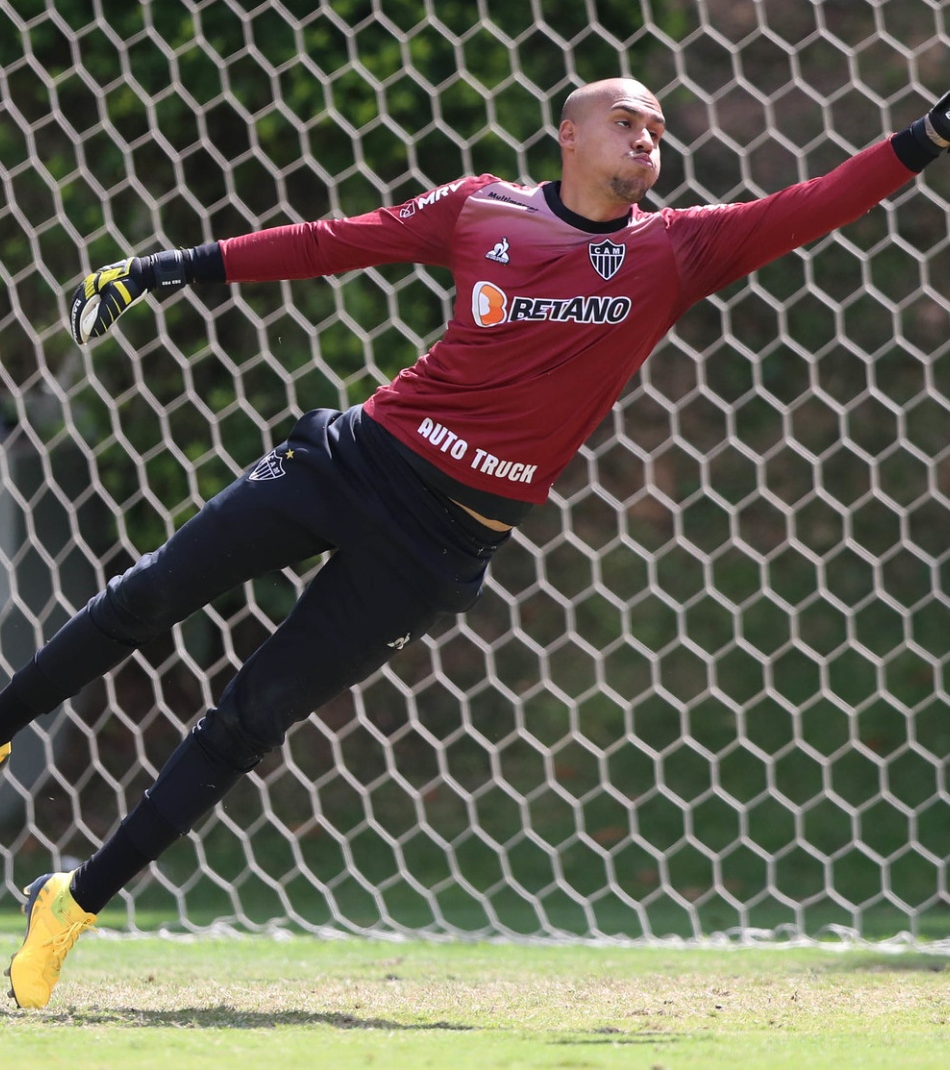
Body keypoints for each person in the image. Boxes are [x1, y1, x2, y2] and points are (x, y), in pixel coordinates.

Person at [3, 77, 950, 1008]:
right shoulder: (478, 209)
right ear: (568, 135)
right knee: (149, 595)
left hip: (438, 547)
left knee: (248, 723)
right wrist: (166, 268)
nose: (646, 139)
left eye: (657, 128)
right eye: (625, 122)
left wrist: (932, 133)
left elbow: (820, 201)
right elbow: (330, 245)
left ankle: (73, 904)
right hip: (351, 463)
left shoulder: (678, 249)